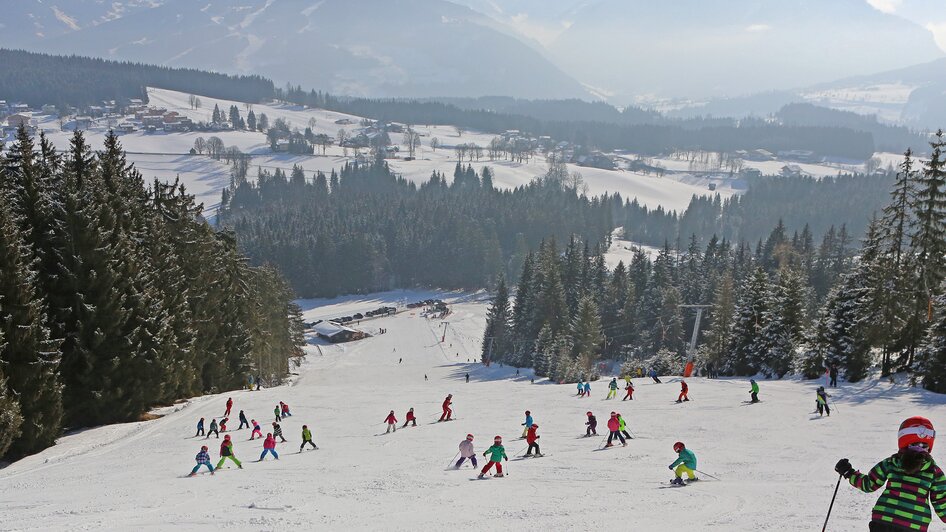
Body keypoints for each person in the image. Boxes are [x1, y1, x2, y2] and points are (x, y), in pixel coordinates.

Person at [835, 417, 946, 531]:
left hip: (883, 521)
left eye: (923, 446)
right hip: (912, 526)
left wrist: (849, 473)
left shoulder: (891, 463)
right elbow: (941, 503)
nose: (920, 449)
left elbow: (869, 484)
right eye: (916, 445)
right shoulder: (934, 472)